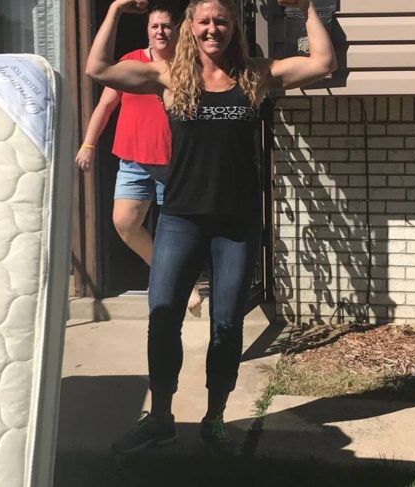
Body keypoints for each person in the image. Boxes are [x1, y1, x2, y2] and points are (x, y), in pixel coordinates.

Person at [86, 0, 335, 456]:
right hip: (181, 218)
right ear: (190, 28)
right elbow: (98, 67)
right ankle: (160, 417)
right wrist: (118, 9)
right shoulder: (169, 77)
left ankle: (215, 418)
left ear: (233, 28)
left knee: (226, 324)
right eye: (203, 21)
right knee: (163, 317)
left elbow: (322, 62)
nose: (212, 29)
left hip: (236, 223)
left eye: (221, 21)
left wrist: (306, 9)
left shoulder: (254, 74)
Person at [76, 3, 203, 311]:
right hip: (133, 160)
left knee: (180, 231)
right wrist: (89, 144)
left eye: (166, 26)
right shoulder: (131, 61)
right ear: (147, 30)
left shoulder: (189, 65)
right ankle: (167, 272)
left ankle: (186, 283)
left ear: (177, 30)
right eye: (155, 26)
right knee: (125, 223)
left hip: (172, 162)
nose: (161, 31)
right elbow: (105, 107)